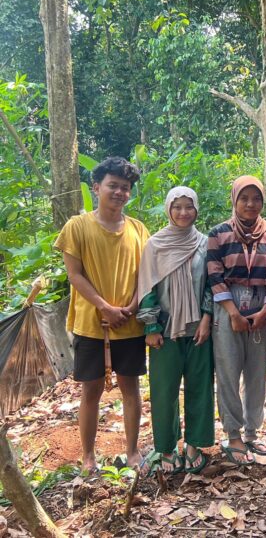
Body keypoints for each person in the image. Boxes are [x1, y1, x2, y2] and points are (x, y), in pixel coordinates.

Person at [54, 157, 150, 472]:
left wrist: (132, 307)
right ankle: (88, 457)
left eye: (125, 188)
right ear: (96, 188)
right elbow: (75, 275)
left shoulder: (138, 230)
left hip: (130, 323)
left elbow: (145, 276)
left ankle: (133, 452)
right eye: (113, 185)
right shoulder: (77, 227)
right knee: (91, 389)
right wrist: (105, 306)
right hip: (91, 323)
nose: (119, 192)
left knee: (130, 387)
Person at [136, 187, 214, 475]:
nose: (183, 212)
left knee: (200, 387)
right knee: (164, 391)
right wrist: (151, 326)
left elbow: (211, 284)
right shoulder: (155, 244)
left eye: (189, 207)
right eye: (177, 207)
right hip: (165, 330)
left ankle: (194, 444)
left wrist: (207, 318)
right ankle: (167, 448)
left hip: (199, 330)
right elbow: (147, 287)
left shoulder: (205, 243)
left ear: (196, 209)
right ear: (168, 209)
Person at [207, 175, 266, 465]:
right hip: (227, 304)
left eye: (256, 198)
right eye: (244, 198)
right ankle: (233, 434)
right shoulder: (218, 233)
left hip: (264, 302)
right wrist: (233, 313)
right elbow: (214, 274)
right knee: (229, 372)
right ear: (234, 199)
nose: (250, 204)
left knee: (257, 372)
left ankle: (251, 434)